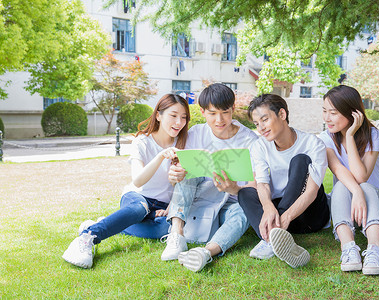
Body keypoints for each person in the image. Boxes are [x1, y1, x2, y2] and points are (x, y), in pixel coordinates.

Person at [62, 94, 190, 268]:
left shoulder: (184, 144)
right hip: (137, 197)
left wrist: (171, 206)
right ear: (158, 115)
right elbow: (138, 181)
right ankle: (87, 236)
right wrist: (160, 156)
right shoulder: (142, 141)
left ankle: (110, 222)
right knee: (139, 209)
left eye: (183, 117)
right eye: (173, 116)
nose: (179, 122)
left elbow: (183, 181)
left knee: (166, 229)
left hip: (162, 207)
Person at [160, 83, 258, 272]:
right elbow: (178, 176)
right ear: (203, 112)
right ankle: (176, 236)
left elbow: (256, 187)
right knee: (186, 171)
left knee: (244, 212)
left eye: (225, 112)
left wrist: (233, 189)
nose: (219, 120)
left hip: (232, 201)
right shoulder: (196, 133)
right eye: (212, 113)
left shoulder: (249, 140)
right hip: (202, 196)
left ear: (233, 110)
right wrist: (175, 175)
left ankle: (205, 253)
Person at [238, 94, 330, 268]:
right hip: (281, 216)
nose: (261, 128)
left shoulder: (312, 144)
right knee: (245, 192)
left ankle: (272, 237)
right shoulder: (259, 146)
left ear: (282, 114)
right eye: (257, 124)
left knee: (300, 160)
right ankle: (275, 237)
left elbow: (311, 192)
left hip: (310, 215)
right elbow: (262, 183)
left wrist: (285, 217)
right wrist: (267, 207)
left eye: (264, 120)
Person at [319, 85, 379, 275]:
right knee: (340, 187)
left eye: (333, 113)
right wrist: (356, 192)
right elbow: (338, 170)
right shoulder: (325, 139)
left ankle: (375, 251)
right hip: (350, 206)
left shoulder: (373, 135)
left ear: (352, 113)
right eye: (324, 111)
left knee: (365, 186)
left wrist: (350, 137)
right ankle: (349, 249)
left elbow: (362, 176)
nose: (327, 118)